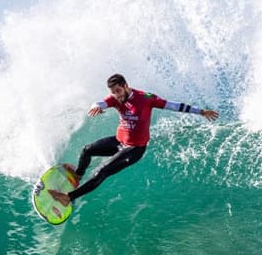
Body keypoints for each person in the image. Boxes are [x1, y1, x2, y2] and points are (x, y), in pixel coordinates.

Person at [49, 73, 219, 206]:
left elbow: (173, 105)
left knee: (101, 172)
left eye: (118, 91)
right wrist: (95, 106)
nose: (116, 95)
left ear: (126, 86)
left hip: (134, 149)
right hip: (119, 141)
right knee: (87, 149)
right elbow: (101, 103)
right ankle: (78, 175)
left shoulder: (145, 98)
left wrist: (201, 112)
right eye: (113, 92)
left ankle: (68, 198)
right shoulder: (115, 98)